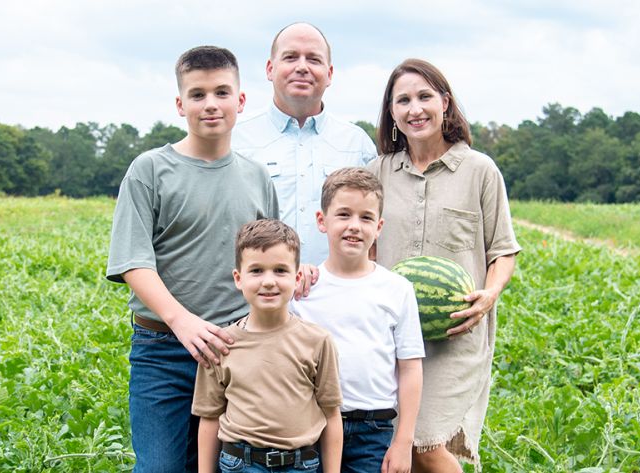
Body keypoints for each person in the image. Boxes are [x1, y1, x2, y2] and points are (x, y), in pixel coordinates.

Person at [106, 45, 278, 473]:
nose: (210, 104)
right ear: (180, 104)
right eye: (197, 94)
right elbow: (133, 262)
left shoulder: (257, 177)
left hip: (236, 350)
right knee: (160, 467)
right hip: (162, 350)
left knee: (230, 465)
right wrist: (182, 323)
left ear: (240, 100)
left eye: (222, 92)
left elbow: (270, 264)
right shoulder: (149, 170)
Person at [366, 59, 521, 472]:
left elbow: (503, 250)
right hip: (391, 336)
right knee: (398, 447)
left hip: (455, 333)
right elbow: (364, 247)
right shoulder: (378, 172)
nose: (415, 109)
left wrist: (489, 294)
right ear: (392, 111)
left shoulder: (479, 170)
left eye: (424, 97)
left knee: (424, 441)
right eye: (403, 100)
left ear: (445, 103)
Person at [293, 168, 425, 473]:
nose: (354, 225)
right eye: (343, 214)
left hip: (372, 430)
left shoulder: (397, 289)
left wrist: (403, 441)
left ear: (379, 227)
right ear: (322, 221)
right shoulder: (303, 289)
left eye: (366, 218)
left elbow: (410, 368)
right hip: (311, 426)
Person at [194, 219, 343, 473]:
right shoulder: (220, 344)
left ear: (297, 277)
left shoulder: (318, 341)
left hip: (301, 464)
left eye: (280, 270)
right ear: (238, 278)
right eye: (256, 271)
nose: (269, 281)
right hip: (240, 463)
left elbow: (331, 414)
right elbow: (209, 417)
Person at [234, 22, 378, 266]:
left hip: (336, 288)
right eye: (290, 57)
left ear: (329, 74)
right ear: (270, 69)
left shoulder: (357, 145)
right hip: (261, 287)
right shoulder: (237, 140)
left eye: (313, 59)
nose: (302, 67)